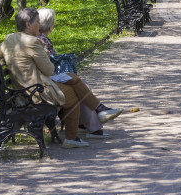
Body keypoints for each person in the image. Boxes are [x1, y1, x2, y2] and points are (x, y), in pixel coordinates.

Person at [0, 8, 122, 149]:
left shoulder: (10, 38)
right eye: (37, 22)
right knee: (72, 94)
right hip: (35, 92)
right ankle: (72, 137)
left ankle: (100, 110)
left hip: (23, 88)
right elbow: (49, 70)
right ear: (27, 24)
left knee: (72, 77)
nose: (39, 25)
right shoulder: (32, 42)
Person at [37, 8, 121, 139]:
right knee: (80, 87)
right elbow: (48, 67)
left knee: (79, 85)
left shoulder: (38, 38)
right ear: (50, 24)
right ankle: (95, 120)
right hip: (44, 83)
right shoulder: (40, 40)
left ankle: (88, 123)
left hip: (44, 80)